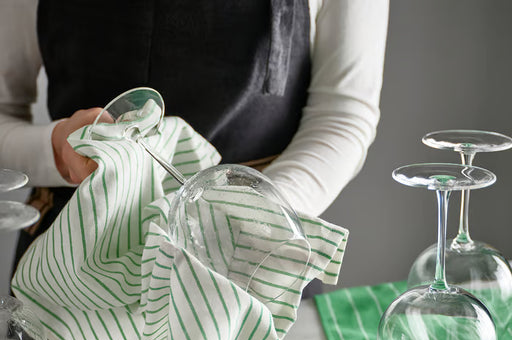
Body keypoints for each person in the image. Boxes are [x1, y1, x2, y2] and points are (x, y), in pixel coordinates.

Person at [0, 0, 389, 293]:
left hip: (255, 268)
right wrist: (57, 150)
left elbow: (343, 113)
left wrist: (264, 214)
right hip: (70, 266)